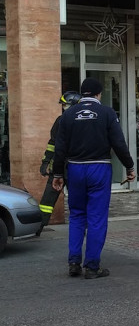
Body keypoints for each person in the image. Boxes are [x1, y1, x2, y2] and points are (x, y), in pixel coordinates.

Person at [51, 78, 136, 279]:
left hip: (75, 169)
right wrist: (129, 166)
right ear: (99, 94)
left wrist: (57, 174)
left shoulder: (68, 115)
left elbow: (59, 148)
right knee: (96, 217)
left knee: (77, 215)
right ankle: (92, 266)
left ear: (82, 94)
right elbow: (119, 143)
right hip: (99, 168)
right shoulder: (107, 113)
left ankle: (73, 262)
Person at [37, 91, 82, 235]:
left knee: (77, 199)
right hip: (59, 166)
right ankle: (38, 227)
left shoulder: (83, 123)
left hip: (75, 167)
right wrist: (45, 162)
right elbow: (52, 143)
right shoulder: (60, 120)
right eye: (63, 105)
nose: (63, 107)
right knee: (47, 201)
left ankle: (81, 227)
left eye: (65, 104)